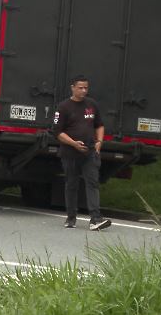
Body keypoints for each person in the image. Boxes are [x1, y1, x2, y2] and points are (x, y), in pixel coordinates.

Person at [53, 75, 111, 231]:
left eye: (86, 87)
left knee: (92, 182)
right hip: (70, 153)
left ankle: (95, 218)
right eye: (80, 87)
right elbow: (58, 132)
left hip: (90, 152)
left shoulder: (92, 105)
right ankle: (71, 217)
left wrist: (99, 142)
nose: (83, 90)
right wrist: (73, 143)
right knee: (71, 184)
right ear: (73, 87)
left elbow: (99, 125)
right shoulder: (63, 107)